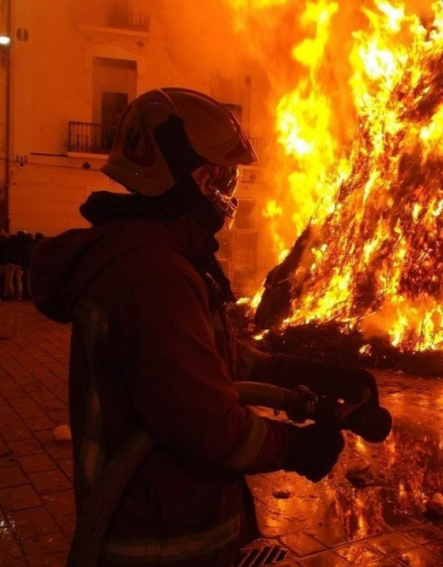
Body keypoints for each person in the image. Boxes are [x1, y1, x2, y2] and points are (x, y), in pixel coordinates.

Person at [30, 88, 378, 567]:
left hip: (174, 519)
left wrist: (312, 373)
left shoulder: (156, 256)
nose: (228, 191)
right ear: (183, 174)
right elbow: (209, 425)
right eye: (221, 177)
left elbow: (215, 361)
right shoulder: (151, 275)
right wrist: (296, 446)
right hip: (161, 541)